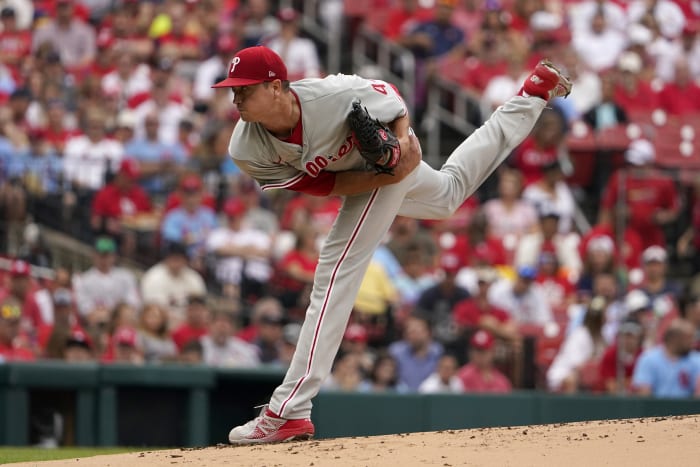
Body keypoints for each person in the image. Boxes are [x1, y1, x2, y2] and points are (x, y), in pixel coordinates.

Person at [215, 45, 572, 443]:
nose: (236, 96)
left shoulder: (332, 95)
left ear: (276, 86)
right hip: (370, 176)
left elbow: (394, 101)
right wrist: (385, 178)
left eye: (244, 88)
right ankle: (531, 96)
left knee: (335, 271)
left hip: (390, 153)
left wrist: (400, 148)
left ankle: (289, 409)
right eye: (233, 89)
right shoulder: (245, 147)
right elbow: (323, 185)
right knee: (448, 195)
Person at [631, 319, 700, 398]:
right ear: (674, 339)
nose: (693, 342)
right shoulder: (649, 359)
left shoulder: (696, 359)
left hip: (688, 409)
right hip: (656, 409)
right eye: (688, 338)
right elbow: (644, 394)